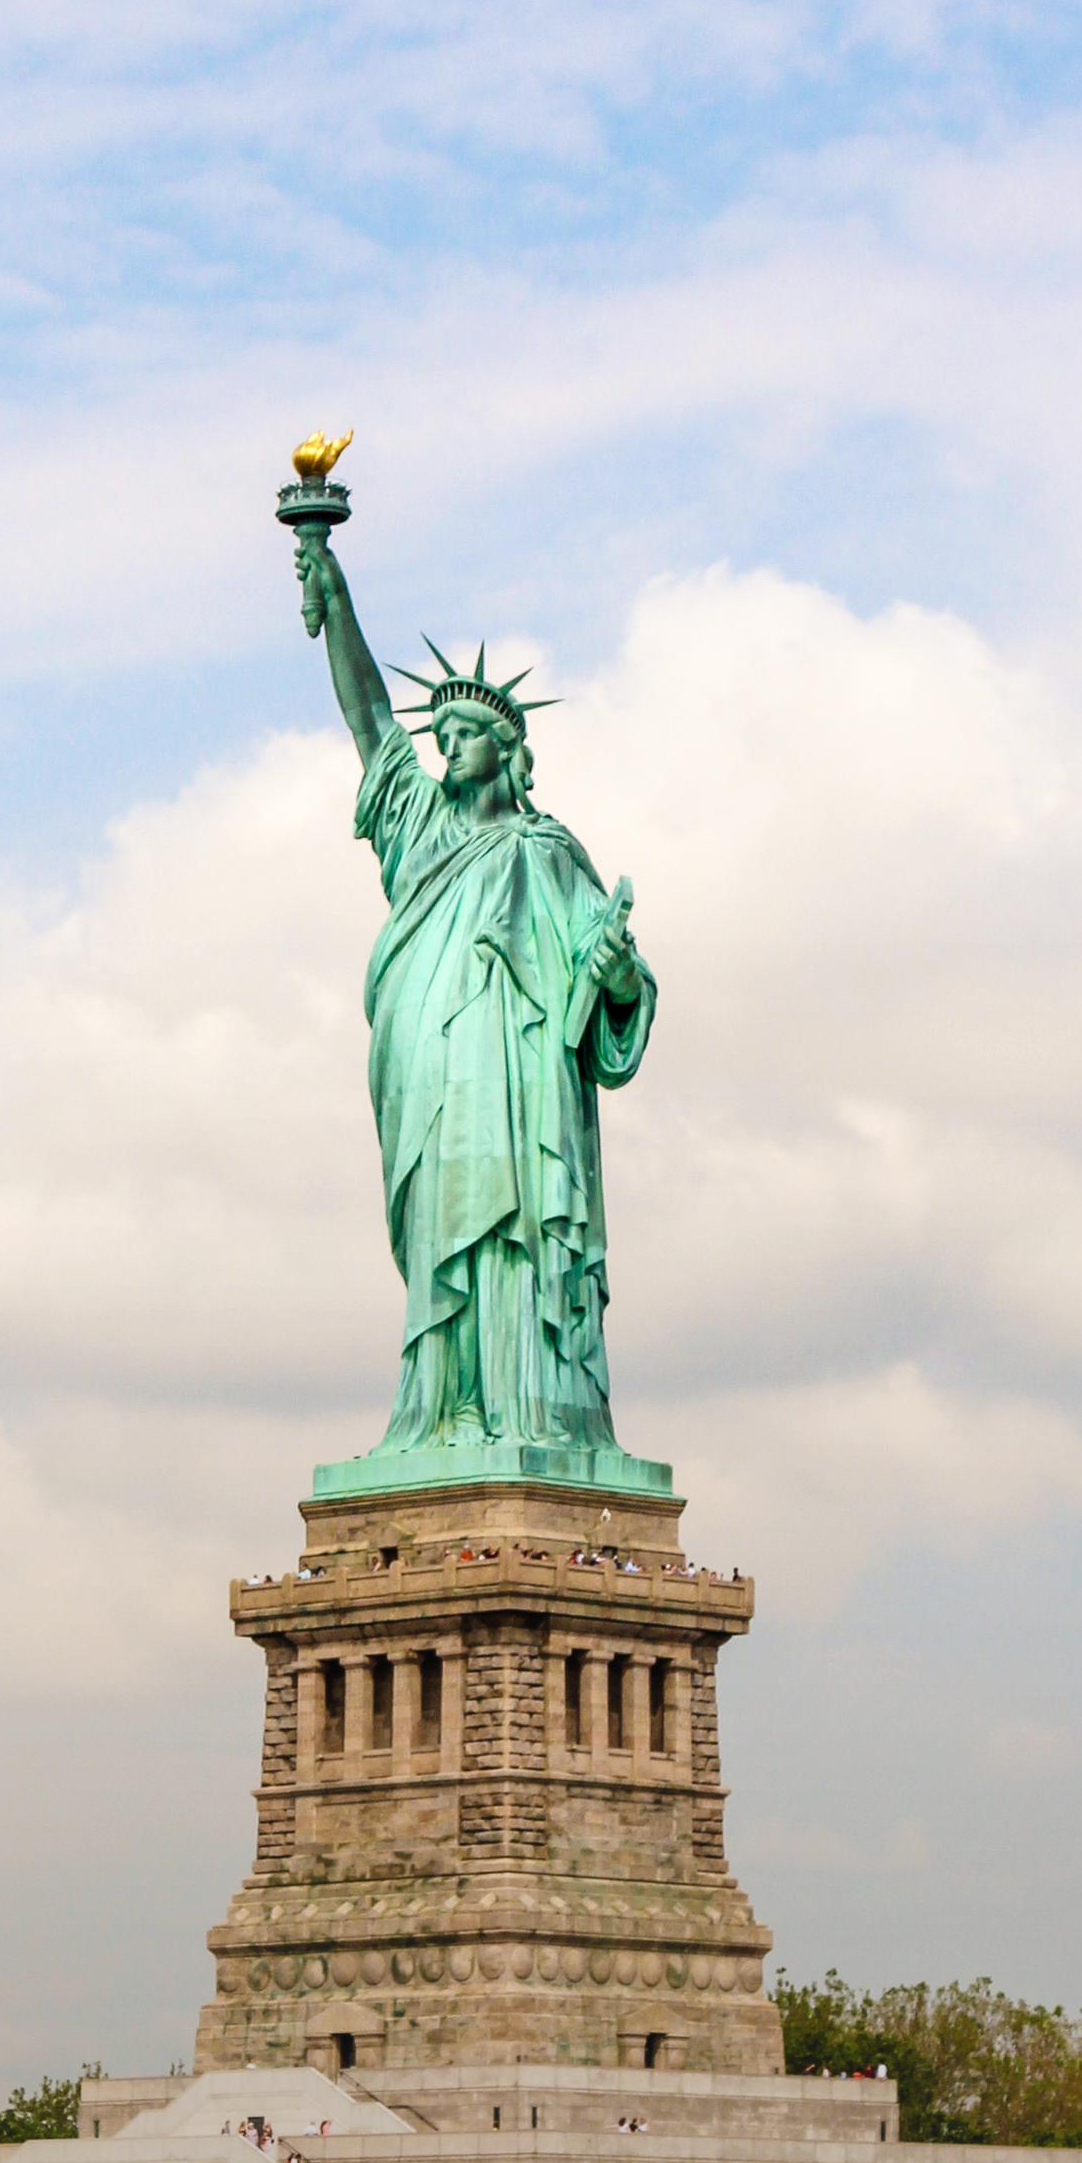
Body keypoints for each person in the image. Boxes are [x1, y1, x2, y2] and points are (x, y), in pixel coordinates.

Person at [289, 519, 654, 1470]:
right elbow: (370, 722)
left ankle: (530, 1413)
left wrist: (614, 978)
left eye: (465, 735)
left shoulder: (548, 854)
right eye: (440, 735)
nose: (446, 747)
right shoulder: (416, 827)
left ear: (508, 749)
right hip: (434, 1072)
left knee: (519, 1235)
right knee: (443, 1222)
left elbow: (609, 986)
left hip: (522, 1091)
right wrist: (336, 601)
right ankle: (443, 1410)